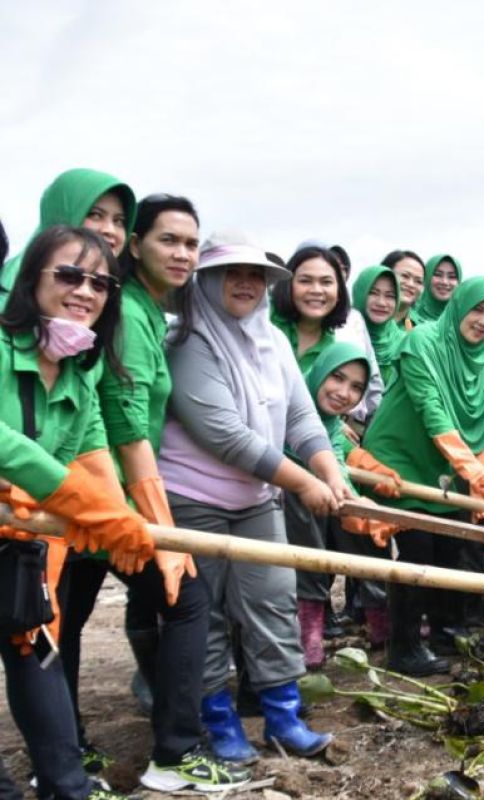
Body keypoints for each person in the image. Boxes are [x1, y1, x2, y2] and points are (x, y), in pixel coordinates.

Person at [56, 196, 248, 793]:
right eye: (168, 240)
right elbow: (126, 426)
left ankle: (69, 748)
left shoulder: (139, 308)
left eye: (191, 243)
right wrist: (159, 532)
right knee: (184, 598)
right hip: (92, 499)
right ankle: (174, 750)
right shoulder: (132, 313)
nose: (182, 254)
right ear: (136, 246)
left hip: (96, 497)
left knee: (67, 619)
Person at [159, 233, 345, 763]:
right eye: (231, 274)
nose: (246, 283)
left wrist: (329, 471)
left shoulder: (273, 340)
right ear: (207, 280)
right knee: (208, 614)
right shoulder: (187, 340)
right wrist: (304, 483)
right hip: (194, 499)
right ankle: (218, 720)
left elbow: (301, 416)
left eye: (255, 275)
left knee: (273, 598)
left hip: (257, 499)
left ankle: (283, 718)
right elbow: (225, 434)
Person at [0, 224, 157, 800]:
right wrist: (73, 500)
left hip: (19, 545)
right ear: (30, 278)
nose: (85, 290)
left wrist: (121, 522)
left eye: (101, 282)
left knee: (36, 652)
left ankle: (67, 785)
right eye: (68, 275)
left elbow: (92, 467)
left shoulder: (78, 371)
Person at [362, 277, 484, 672]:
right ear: (459, 305)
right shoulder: (421, 341)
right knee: (417, 550)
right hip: (402, 458)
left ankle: (444, 633)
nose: (483, 321)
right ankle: (404, 646)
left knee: (449, 548)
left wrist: (482, 471)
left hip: (444, 463)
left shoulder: (483, 356)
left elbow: (480, 420)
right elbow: (432, 409)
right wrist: (470, 468)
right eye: (477, 309)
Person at [288, 343, 399, 666]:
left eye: (355, 388)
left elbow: (335, 464)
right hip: (278, 495)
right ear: (320, 372)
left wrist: (355, 500)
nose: (343, 392)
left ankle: (380, 617)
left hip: (322, 491)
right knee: (306, 525)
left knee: (363, 521)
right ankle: (309, 629)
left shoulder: (334, 424)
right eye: (337, 378)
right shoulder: (290, 402)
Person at [1, 168, 135, 296]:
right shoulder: (11, 295)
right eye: (95, 215)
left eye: (119, 221)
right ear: (61, 216)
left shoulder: (109, 295)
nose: (110, 230)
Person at [351, 265, 404, 389]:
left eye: (390, 296)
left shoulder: (405, 343)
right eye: (373, 293)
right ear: (360, 294)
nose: (381, 303)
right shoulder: (343, 336)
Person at [409, 254, 462, 324]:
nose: (444, 282)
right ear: (427, 277)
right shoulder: (406, 315)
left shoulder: (464, 320)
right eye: (438, 274)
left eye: (452, 277)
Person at [382, 250, 424, 330]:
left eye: (418, 281)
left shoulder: (423, 329)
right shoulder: (357, 321)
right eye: (405, 276)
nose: (411, 284)